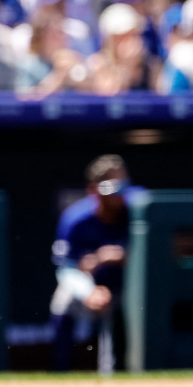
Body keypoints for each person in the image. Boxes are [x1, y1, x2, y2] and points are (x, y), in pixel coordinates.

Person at [50, 155, 136, 372]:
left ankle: (119, 372)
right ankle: (61, 371)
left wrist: (126, 256)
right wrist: (88, 291)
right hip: (90, 286)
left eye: (123, 185)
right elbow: (66, 269)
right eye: (111, 187)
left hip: (128, 288)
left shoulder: (136, 208)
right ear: (93, 190)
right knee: (62, 301)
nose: (119, 193)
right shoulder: (76, 218)